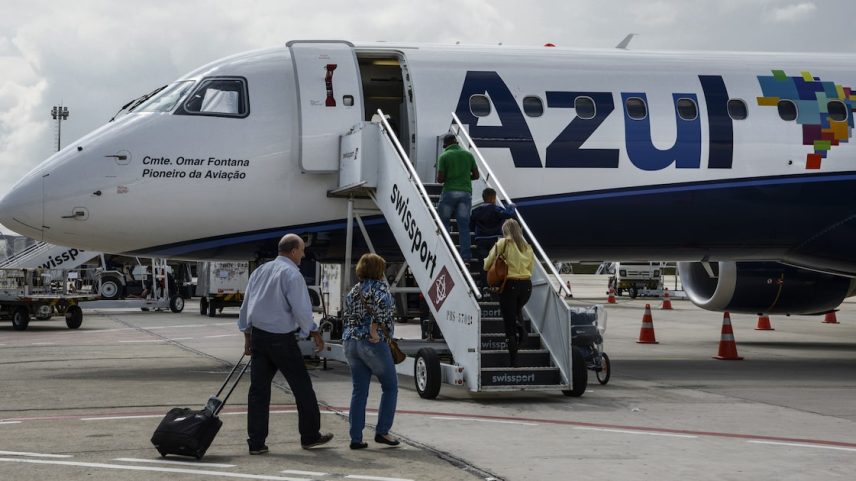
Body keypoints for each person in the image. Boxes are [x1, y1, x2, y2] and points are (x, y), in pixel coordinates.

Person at [237, 234, 333, 455]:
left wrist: (247, 335)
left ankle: (256, 443)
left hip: (259, 337)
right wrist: (314, 331)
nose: (304, 254)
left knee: (258, 391)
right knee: (302, 387)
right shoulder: (292, 274)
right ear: (292, 252)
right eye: (301, 250)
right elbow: (301, 310)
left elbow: (247, 304)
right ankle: (309, 436)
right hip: (281, 339)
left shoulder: (260, 271)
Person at [342, 253, 400, 449]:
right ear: (379, 270)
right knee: (390, 386)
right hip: (372, 342)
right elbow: (383, 307)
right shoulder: (380, 288)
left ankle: (355, 438)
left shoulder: (354, 290)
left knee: (359, 390)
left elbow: (348, 315)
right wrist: (374, 329)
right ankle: (382, 431)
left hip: (351, 342)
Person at [483, 219, 534, 367]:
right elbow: (530, 270)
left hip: (510, 285)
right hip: (526, 286)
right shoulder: (527, 247)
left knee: (509, 324)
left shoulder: (503, 243)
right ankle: (522, 330)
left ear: (505, 231)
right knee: (516, 312)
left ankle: (514, 360)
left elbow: (487, 264)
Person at [436, 133, 479, 263]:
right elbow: (476, 175)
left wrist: (451, 177)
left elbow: (440, 179)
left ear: (446, 144)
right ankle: (465, 256)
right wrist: (465, 178)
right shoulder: (468, 155)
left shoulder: (444, 156)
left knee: (444, 223)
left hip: (449, 192)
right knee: (464, 226)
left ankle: (446, 253)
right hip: (465, 193)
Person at [469, 187, 516, 262]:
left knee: (483, 261)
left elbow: (471, 226)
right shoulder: (496, 209)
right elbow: (508, 214)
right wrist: (511, 207)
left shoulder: (475, 211)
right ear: (493, 198)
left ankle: (483, 273)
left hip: (480, 239)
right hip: (495, 238)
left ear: (483, 198)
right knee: (496, 260)